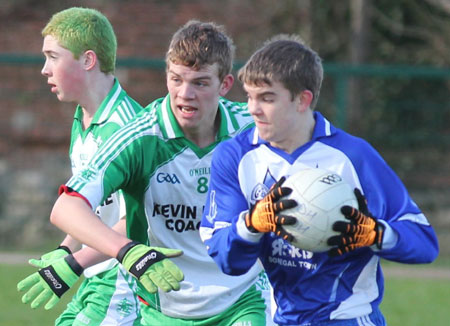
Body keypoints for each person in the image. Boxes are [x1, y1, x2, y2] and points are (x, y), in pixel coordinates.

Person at [45, 20, 276, 325]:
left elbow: (314, 152)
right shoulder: (139, 137)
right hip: (162, 308)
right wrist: (127, 252)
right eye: (176, 79)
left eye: (200, 83)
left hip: (243, 302)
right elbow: (66, 208)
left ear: (225, 84)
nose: (185, 93)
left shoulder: (253, 128)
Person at [200, 34, 439, 326]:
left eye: (267, 98)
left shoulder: (353, 156)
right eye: (249, 96)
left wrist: (376, 234)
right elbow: (227, 260)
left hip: (349, 318)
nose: (253, 108)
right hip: (280, 319)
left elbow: (425, 243)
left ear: (303, 100)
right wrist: (251, 225)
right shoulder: (235, 156)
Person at [17, 7, 144, 325]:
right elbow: (85, 204)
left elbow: (141, 219)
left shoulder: (128, 128)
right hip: (96, 277)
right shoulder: (83, 118)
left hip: (124, 281)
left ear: (88, 60)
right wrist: (65, 249)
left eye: (53, 57)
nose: (44, 69)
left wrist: (75, 262)